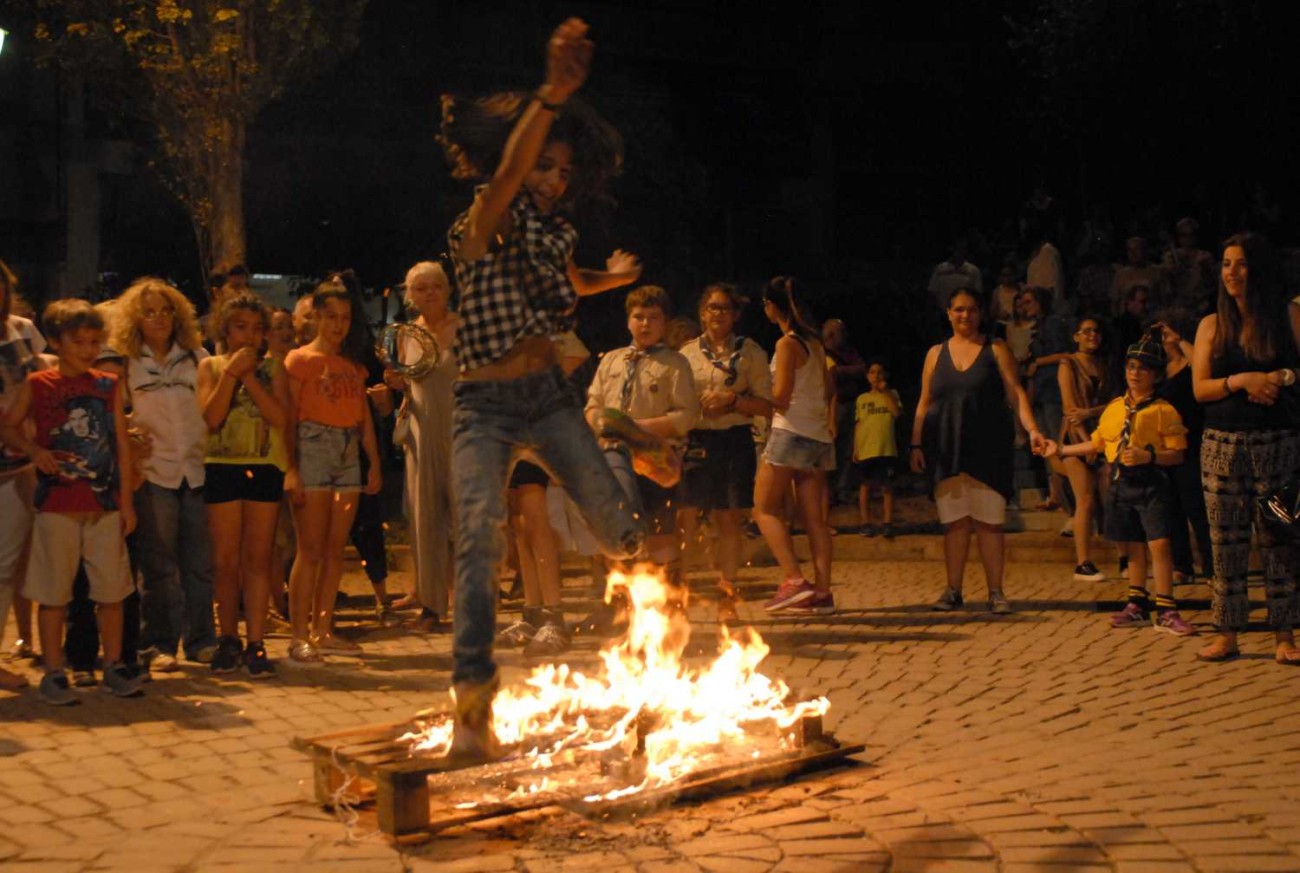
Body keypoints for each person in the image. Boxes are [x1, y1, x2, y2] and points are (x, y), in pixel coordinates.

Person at [439, 17, 647, 759]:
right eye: (544, 167)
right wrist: (552, 96)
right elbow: (506, 176)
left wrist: (611, 279)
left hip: (551, 399)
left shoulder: (553, 237)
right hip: (483, 410)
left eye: (564, 171)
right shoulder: (481, 220)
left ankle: (652, 661)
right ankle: (471, 712)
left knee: (623, 532)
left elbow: (570, 281)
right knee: (479, 545)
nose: (554, 180)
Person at [0, 299, 143, 704]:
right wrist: (34, 451)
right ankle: (54, 670)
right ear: (57, 343)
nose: (88, 350)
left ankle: (114, 665)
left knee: (112, 591)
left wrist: (127, 502)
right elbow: (9, 428)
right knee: (54, 593)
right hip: (57, 504)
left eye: (95, 342)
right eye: (79, 342)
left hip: (103, 504)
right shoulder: (39, 384)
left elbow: (120, 443)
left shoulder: (107, 385)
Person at [1191, 233, 1300, 664]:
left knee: (1279, 539)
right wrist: (1241, 381)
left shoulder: (1287, 315)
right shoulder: (1211, 324)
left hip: (1278, 444)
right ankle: (1227, 631)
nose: (1232, 273)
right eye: (1226, 264)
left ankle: (1285, 634)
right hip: (1222, 446)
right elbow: (1200, 388)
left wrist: (1279, 379)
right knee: (1225, 544)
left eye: (1240, 264)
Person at [1044, 331, 1196, 635]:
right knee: (1134, 544)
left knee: (1160, 543)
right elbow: (1099, 443)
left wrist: (1148, 456)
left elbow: (1178, 454)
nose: (1135, 374)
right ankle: (1137, 602)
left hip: (1152, 482)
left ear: (1155, 374)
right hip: (1121, 483)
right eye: (1131, 367)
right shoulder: (1115, 407)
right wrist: (1060, 449)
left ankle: (1166, 607)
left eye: (1142, 369)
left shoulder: (1163, 410)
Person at [911, 288, 1049, 615]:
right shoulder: (935, 354)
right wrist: (916, 443)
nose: (965, 316)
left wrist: (1032, 430)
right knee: (955, 523)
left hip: (988, 447)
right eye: (959, 309)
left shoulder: (996, 349)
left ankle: (996, 592)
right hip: (946, 447)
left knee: (989, 523)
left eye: (972, 309)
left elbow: (1015, 394)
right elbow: (924, 401)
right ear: (948, 313)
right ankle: (953, 590)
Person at [111, 277, 217, 671]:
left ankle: (202, 640)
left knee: (199, 564)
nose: (158, 319)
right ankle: (159, 644)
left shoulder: (196, 355)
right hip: (154, 473)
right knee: (158, 567)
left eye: (165, 310)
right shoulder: (125, 360)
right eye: (149, 311)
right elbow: (119, 415)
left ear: (177, 315)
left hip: (196, 470)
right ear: (135, 318)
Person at [283, 282, 382, 663]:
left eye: (345, 318)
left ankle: (323, 629)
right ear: (317, 317)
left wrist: (373, 461)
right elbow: (289, 419)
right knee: (309, 549)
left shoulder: (353, 366)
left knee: (335, 550)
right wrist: (291, 469)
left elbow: (363, 420)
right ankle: (297, 636)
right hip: (312, 450)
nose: (338, 325)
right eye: (331, 317)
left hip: (347, 454)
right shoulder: (300, 360)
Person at [196, 293, 291, 677]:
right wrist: (232, 373)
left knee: (257, 559)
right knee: (225, 561)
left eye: (256, 329)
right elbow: (213, 417)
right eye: (240, 328)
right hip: (221, 466)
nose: (249, 337)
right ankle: (227, 638)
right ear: (225, 329)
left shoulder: (274, 369)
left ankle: (256, 643)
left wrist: (250, 376)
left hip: (264, 466)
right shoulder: (210, 366)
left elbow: (280, 418)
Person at [585, 285, 698, 571]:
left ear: (665, 323)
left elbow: (685, 416)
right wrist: (603, 424)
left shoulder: (675, 363)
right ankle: (618, 606)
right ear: (628, 320)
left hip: (655, 460)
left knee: (660, 533)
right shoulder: (611, 359)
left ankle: (668, 602)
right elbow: (592, 405)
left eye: (653, 317)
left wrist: (633, 428)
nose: (645, 324)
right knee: (615, 532)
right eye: (639, 316)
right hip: (611, 458)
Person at [676, 283, 772, 617]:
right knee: (684, 519)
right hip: (696, 443)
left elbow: (768, 405)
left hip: (733, 441)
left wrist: (733, 400)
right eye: (712, 308)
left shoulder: (752, 353)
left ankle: (727, 597)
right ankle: (678, 595)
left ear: (735, 315)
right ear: (702, 313)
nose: (718, 314)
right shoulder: (685, 354)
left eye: (725, 308)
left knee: (729, 522)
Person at [755, 276, 837, 614]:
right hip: (817, 435)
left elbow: (781, 397)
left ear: (772, 307)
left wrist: (747, 399)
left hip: (790, 433)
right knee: (814, 520)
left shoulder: (787, 345)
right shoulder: (816, 343)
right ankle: (822, 591)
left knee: (763, 509)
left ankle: (793, 580)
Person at [383, 261, 458, 632]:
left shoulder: (466, 329)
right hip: (421, 432)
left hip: (462, 431)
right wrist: (395, 384)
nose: (430, 294)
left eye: (437, 286)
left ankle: (473, 603)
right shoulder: (407, 335)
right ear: (410, 295)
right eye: (421, 288)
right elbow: (408, 383)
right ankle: (430, 606)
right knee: (425, 520)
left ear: (448, 289)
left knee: (468, 521)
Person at [0, 258, 46, 691]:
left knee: (5, 567)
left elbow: (33, 386)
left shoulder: (17, 333)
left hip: (15, 467)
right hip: (17, 453)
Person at [1152, 310, 1212, 583]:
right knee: (1171, 506)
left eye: (1165, 333)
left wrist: (1180, 339)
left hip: (1193, 440)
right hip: (1165, 444)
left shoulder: (1190, 364)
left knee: (1195, 505)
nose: (1163, 339)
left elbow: (1202, 361)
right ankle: (1182, 565)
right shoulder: (1156, 370)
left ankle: (1211, 566)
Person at [1058, 315, 1112, 582]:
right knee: (1085, 500)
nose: (1092, 335)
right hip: (1075, 439)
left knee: (1112, 495)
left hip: (1103, 435)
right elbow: (1070, 410)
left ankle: (1124, 556)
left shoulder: (1104, 365)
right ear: (1076, 335)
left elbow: (1115, 403)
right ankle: (1083, 562)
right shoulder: (1068, 364)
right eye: (1086, 331)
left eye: (1096, 331)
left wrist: (1091, 412)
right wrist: (1085, 441)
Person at [854, 360, 901, 538]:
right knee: (865, 485)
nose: (876, 376)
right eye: (872, 372)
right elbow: (858, 424)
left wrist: (886, 392)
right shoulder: (862, 399)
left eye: (879, 372)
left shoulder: (892, 394)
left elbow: (896, 414)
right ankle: (865, 523)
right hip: (866, 449)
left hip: (886, 448)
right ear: (867, 376)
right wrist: (856, 448)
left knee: (886, 485)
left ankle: (887, 523)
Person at [822, 318, 866, 504]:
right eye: (841, 331)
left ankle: (842, 488)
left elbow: (862, 369)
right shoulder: (820, 351)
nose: (845, 335)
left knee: (848, 448)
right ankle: (827, 491)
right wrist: (841, 371)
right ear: (832, 334)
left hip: (850, 404)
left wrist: (837, 371)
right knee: (828, 450)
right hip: (830, 407)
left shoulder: (848, 351)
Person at [928, 238, 984, 313]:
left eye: (962, 249)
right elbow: (932, 292)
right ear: (951, 249)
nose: (959, 252)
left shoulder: (973, 271)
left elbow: (978, 294)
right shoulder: (939, 269)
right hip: (942, 314)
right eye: (957, 249)